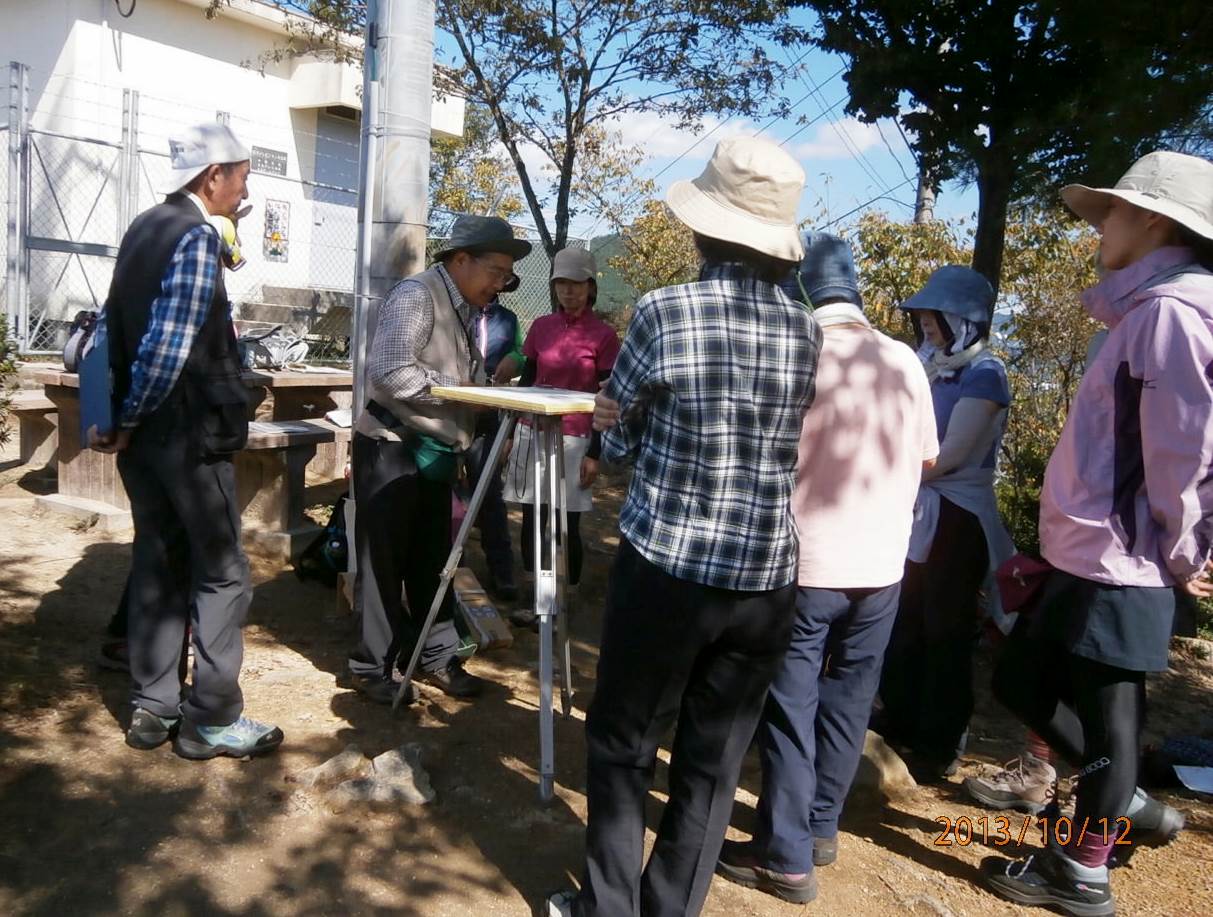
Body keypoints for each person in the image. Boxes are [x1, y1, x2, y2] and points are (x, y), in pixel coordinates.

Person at [545, 136, 821, 917]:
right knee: (711, 758)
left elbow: (624, 438)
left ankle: (607, 907)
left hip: (668, 562)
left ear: (708, 230)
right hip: (767, 578)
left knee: (624, 740)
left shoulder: (666, 309)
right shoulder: (806, 329)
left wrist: (613, 420)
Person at [981, 150, 1213, 916]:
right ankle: (1127, 802)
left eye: (1109, 211)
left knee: (1112, 724)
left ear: (1153, 220)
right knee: (1020, 682)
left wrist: (1188, 551)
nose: (1098, 225)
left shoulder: (1173, 314)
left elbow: (1183, 450)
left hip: (1126, 559)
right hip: (1092, 551)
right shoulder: (1152, 310)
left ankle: (1082, 872)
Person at [715, 233, 938, 904]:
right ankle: (817, 829)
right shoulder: (904, 359)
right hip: (882, 566)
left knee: (789, 705)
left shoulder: (798, 350)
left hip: (808, 562)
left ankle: (784, 859)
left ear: (801, 290)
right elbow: (927, 457)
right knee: (846, 701)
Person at [92, 123, 282, 759]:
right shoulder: (196, 237)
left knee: (158, 559)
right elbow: (167, 349)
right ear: (213, 176)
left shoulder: (144, 227)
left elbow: (112, 329)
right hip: (184, 433)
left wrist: (119, 418)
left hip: (141, 436)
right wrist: (141, 413)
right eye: (243, 176)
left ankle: (153, 708)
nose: (245, 188)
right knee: (223, 572)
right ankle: (212, 718)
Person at [345, 215, 530, 704]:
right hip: (393, 447)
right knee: (383, 562)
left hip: (436, 451)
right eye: (496, 271)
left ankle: (436, 657)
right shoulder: (417, 295)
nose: (500, 284)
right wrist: (461, 395)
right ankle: (370, 666)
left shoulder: (466, 306)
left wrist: (478, 401)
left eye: (507, 275)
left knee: (436, 559)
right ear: (460, 259)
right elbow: (388, 371)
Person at [875, 265, 1015, 781]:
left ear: (963, 319)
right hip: (914, 505)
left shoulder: (986, 373)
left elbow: (952, 455)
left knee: (945, 628)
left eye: (935, 316)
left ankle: (939, 742)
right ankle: (899, 719)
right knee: (905, 618)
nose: (926, 325)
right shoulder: (924, 364)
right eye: (923, 317)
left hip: (956, 515)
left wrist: (880, 467)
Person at [501, 248, 620, 627]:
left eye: (577, 283)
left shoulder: (603, 336)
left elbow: (607, 398)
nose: (569, 291)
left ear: (590, 287)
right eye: (562, 283)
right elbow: (527, 381)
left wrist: (595, 454)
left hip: (575, 437)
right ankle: (536, 600)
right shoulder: (540, 327)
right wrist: (509, 431)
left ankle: (564, 601)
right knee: (532, 516)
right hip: (530, 430)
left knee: (566, 522)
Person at [458, 275, 526, 600]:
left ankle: (501, 571)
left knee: (488, 490)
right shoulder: (458, 312)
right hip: (453, 409)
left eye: (500, 283)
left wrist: (517, 360)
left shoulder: (508, 320)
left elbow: (526, 353)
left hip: (489, 412)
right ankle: (450, 565)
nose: (492, 287)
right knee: (447, 491)